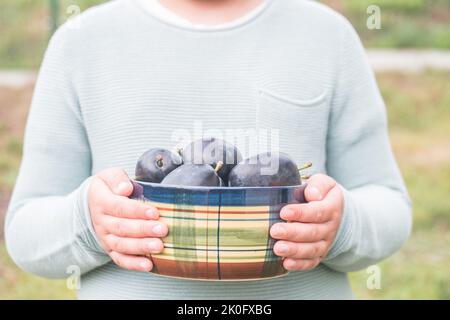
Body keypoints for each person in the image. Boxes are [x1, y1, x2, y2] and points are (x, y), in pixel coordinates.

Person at [5, 0, 412, 299]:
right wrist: (90, 223)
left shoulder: (327, 35)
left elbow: (389, 205)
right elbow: (26, 233)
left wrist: (340, 226)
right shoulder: (81, 42)